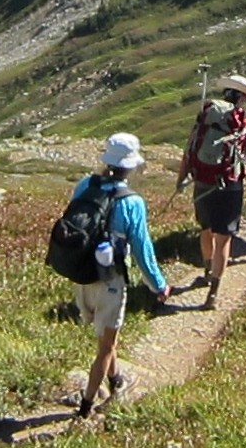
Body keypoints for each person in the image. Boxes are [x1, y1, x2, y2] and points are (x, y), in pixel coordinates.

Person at [70, 132, 173, 419]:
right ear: (130, 167)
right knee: (105, 347)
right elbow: (142, 249)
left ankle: (116, 381)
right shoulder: (132, 202)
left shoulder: (84, 185)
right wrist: (159, 285)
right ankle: (85, 409)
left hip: (82, 276)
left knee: (105, 338)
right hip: (110, 282)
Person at [175, 74, 246, 309]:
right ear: (243, 97)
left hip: (202, 180)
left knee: (206, 229)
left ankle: (206, 271)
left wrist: (182, 178)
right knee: (224, 239)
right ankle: (213, 293)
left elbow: (189, 148)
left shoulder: (205, 115)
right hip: (229, 184)